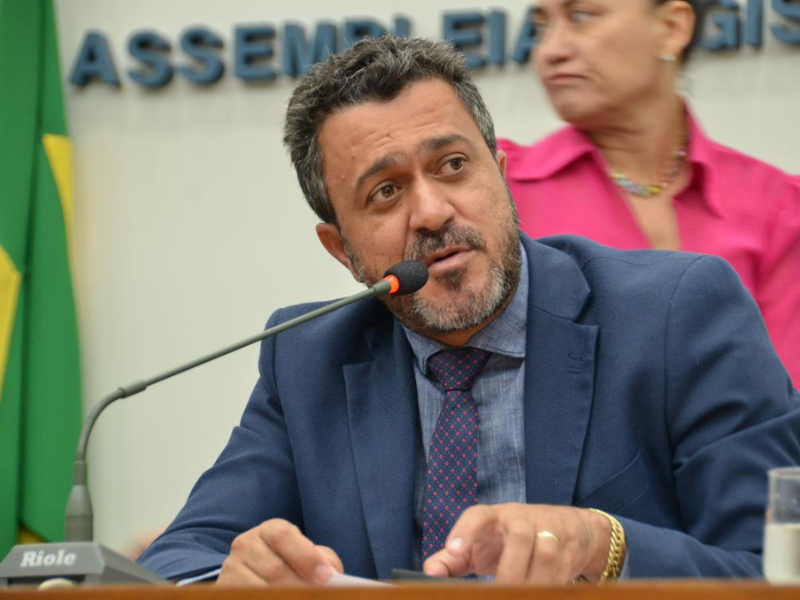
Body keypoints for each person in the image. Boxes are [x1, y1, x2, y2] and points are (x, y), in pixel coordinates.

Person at [138, 36, 800, 585]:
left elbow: (774, 572)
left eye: (453, 165)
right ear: (341, 249)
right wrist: (232, 581)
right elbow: (177, 561)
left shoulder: (677, 315)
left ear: (502, 176)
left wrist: (605, 548)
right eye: (385, 192)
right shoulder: (309, 359)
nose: (432, 212)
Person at [498, 0, 800, 387]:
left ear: (672, 26)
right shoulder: (497, 188)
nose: (550, 50)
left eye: (581, 16)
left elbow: (781, 398)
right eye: (541, 28)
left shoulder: (776, 208)